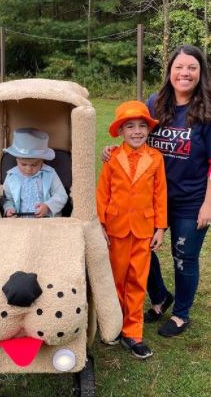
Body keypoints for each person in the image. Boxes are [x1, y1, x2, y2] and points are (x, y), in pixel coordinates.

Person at [103, 45, 211, 339]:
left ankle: (181, 314)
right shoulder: (156, 103)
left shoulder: (206, 110)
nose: (184, 73)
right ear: (170, 71)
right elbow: (136, 132)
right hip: (150, 198)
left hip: (191, 200)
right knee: (144, 249)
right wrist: (116, 151)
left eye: (192, 67)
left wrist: (208, 204)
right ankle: (161, 296)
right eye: (179, 67)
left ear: (200, 73)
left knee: (183, 256)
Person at [97, 100, 167, 359]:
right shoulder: (112, 157)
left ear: (148, 130)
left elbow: (161, 194)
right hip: (115, 229)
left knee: (138, 280)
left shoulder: (156, 158)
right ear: (120, 131)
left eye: (141, 126)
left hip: (144, 230)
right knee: (115, 279)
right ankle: (113, 326)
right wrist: (101, 224)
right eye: (130, 126)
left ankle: (133, 332)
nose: (136, 131)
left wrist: (160, 227)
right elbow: (103, 193)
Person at [2, 128, 68, 218]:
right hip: (20, 222)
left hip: (47, 221)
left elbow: (61, 195)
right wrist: (9, 209)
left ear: (42, 161)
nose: (28, 169)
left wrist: (48, 206)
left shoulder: (50, 173)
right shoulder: (11, 176)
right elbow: (8, 199)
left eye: (34, 165)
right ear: (16, 159)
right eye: (23, 164)